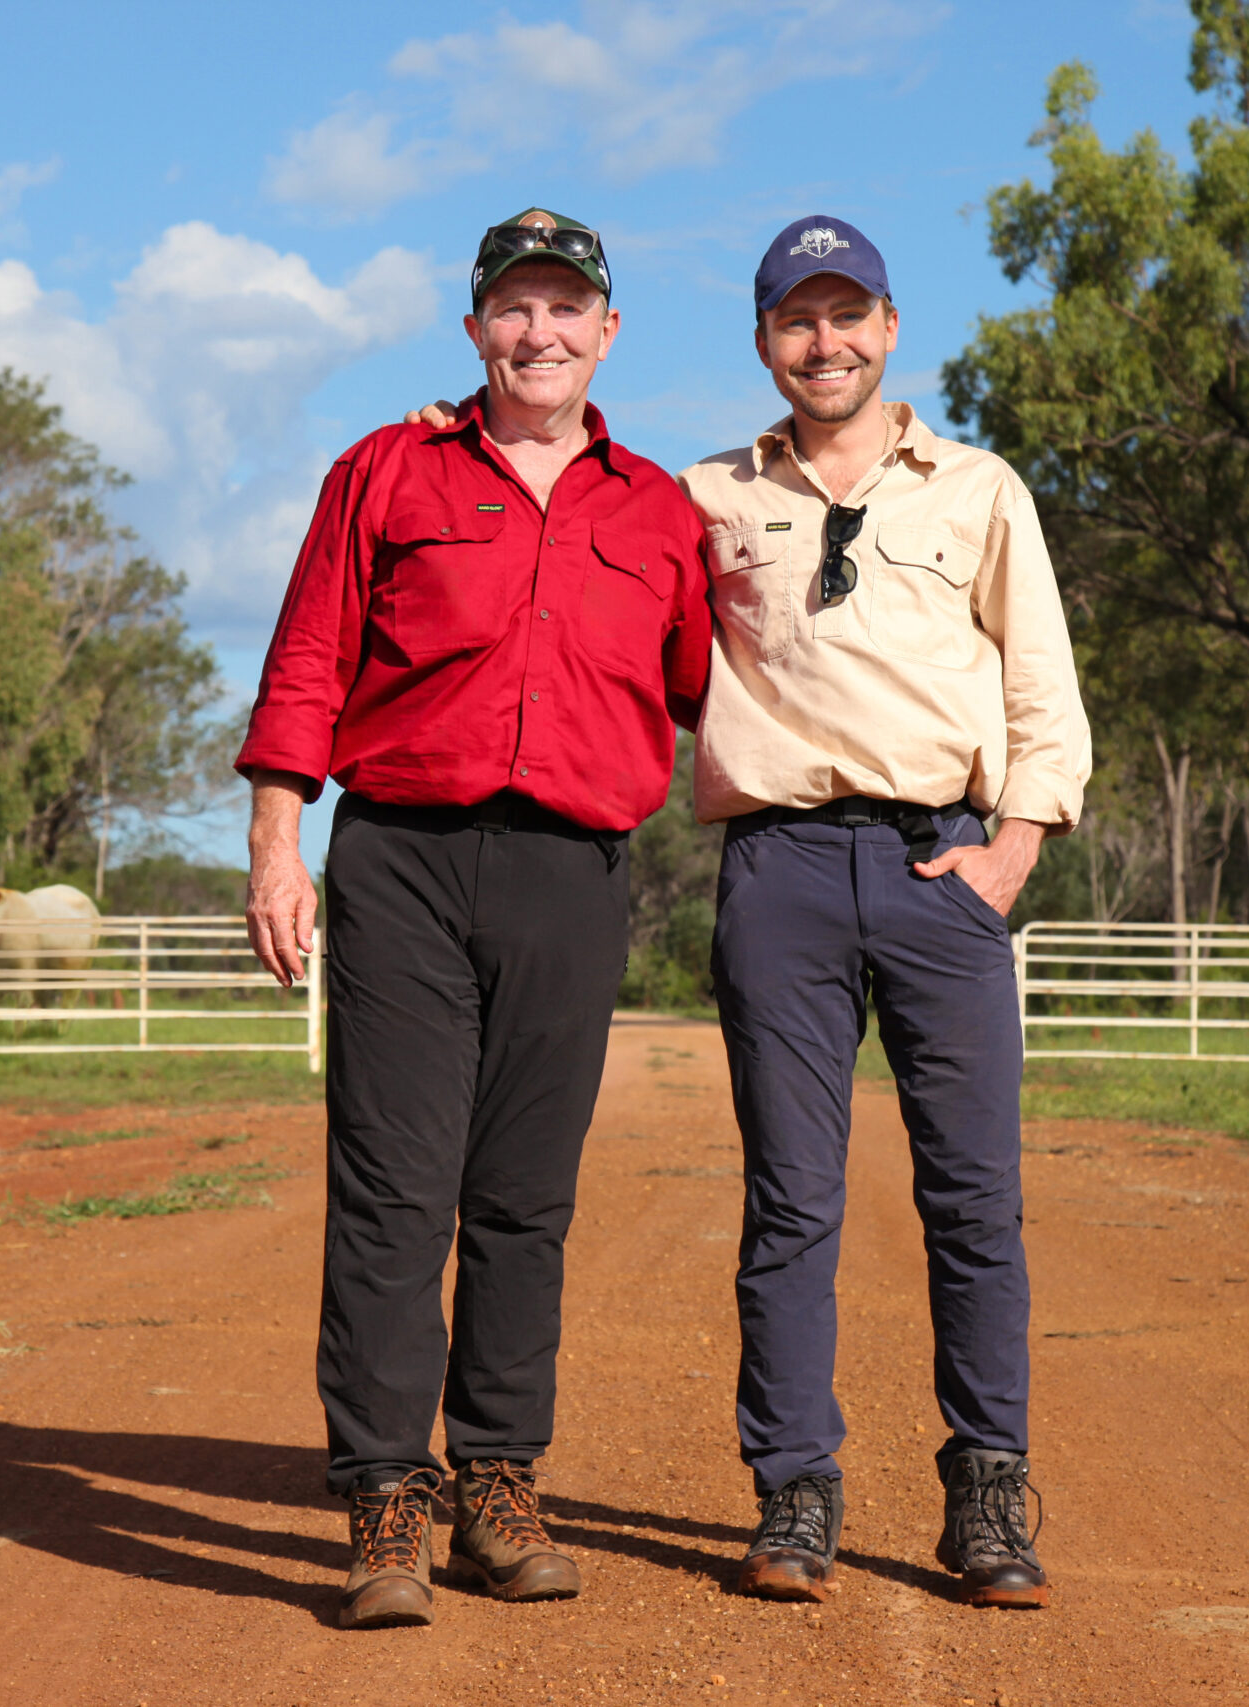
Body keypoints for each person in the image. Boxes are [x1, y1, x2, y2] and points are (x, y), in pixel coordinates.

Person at [236, 208, 712, 1630]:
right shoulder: (384, 468)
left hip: (573, 871)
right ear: (474, 329)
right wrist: (278, 844)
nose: (540, 332)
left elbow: (710, 690)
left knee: (525, 1195)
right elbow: (309, 654)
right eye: (514, 307)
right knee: (393, 1186)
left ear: (609, 332)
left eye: (568, 308)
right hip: (403, 860)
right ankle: (388, 1494)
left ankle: (499, 1479)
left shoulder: (662, 513)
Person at [692, 215, 1090, 1610]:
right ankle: (793, 1492)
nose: (826, 343)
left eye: (847, 314)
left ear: (891, 327)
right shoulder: (707, 499)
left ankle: (987, 1495)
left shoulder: (979, 491)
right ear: (764, 342)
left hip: (943, 871)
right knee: (791, 1202)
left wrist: (1016, 846)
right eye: (798, 321)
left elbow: (1042, 683)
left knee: (974, 1201)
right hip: (781, 874)